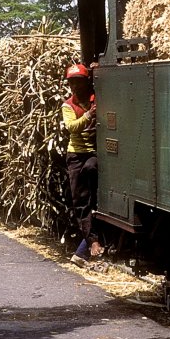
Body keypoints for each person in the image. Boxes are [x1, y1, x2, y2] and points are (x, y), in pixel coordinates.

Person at [62, 62, 104, 268]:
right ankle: (92, 241)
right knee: (80, 202)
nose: (76, 87)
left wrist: (96, 67)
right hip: (76, 154)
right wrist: (88, 115)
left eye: (79, 82)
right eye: (72, 83)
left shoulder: (96, 98)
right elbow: (71, 128)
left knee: (92, 169)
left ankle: (91, 241)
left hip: (93, 153)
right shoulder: (68, 105)